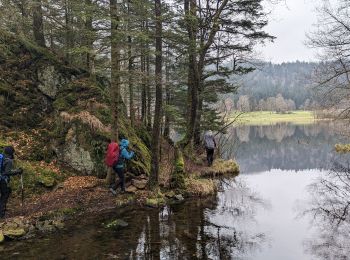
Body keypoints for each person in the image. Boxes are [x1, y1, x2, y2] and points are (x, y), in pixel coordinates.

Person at [0, 146, 23, 218]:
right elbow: (7, 172)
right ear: (11, 153)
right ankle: (1, 215)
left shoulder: (1, 157)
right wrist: (18, 171)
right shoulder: (8, 161)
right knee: (5, 195)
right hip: (2, 180)